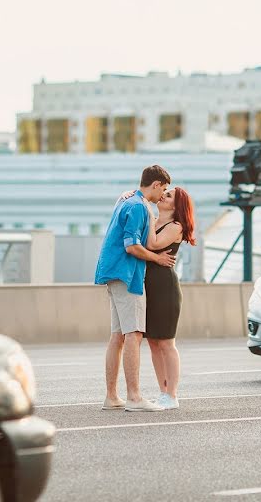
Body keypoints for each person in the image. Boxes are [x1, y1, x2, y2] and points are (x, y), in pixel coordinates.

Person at [95, 165, 176, 412]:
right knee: (134, 334)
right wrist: (158, 259)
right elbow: (132, 246)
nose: (163, 194)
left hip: (112, 272)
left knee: (118, 336)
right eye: (163, 189)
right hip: (127, 274)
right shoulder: (139, 206)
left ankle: (112, 396)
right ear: (155, 184)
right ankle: (134, 396)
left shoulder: (126, 200)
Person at [144, 186, 196, 411]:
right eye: (165, 192)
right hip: (148, 287)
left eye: (169, 195)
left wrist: (145, 213)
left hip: (165, 288)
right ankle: (163, 392)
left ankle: (172, 394)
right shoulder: (154, 220)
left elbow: (152, 244)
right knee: (153, 343)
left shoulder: (176, 226)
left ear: (176, 206)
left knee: (166, 342)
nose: (164, 195)